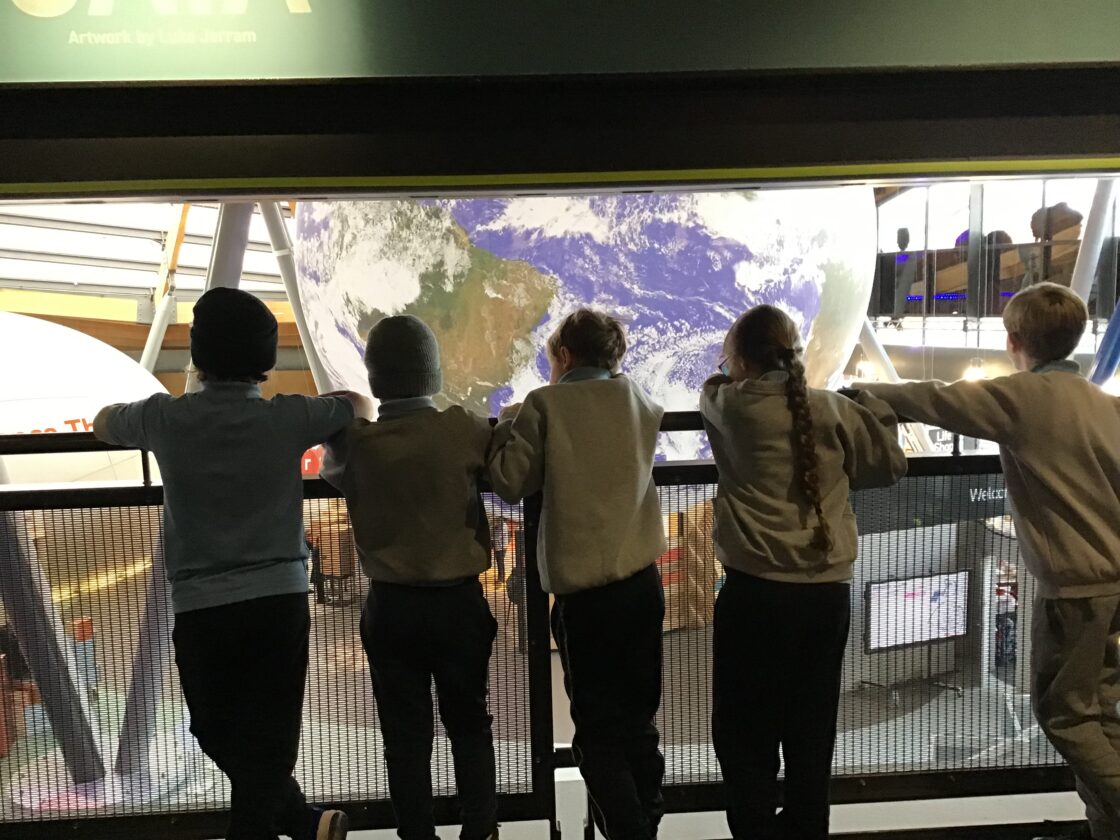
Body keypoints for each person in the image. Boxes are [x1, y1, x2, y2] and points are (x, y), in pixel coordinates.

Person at [93, 287, 366, 840]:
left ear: (198, 353)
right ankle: (300, 821)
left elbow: (102, 422)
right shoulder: (289, 418)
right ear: (265, 359)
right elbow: (358, 406)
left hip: (201, 605)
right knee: (272, 736)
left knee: (212, 728)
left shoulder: (164, 418)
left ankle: (289, 823)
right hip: (279, 600)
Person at [858, 282, 1120, 840]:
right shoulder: (1106, 404)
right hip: (1115, 584)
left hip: (1074, 587)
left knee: (1064, 715)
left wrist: (858, 391)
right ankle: (1106, 825)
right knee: (1101, 708)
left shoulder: (1021, 398)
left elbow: (933, 398)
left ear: (1013, 340)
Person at [702, 305, 907, 840]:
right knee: (811, 737)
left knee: (745, 740)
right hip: (824, 599)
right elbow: (889, 465)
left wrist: (728, 370)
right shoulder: (834, 409)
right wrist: (871, 410)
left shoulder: (731, 406)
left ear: (743, 363)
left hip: (754, 600)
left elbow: (712, 387)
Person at [488, 308, 666, 840]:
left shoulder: (546, 404)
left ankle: (629, 831)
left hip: (585, 601)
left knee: (597, 731)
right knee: (638, 723)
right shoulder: (637, 399)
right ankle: (648, 820)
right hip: (642, 586)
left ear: (564, 356)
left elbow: (510, 481)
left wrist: (507, 423)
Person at [321, 315, 498, 840]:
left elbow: (333, 467)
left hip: (391, 607)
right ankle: (480, 830)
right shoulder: (463, 428)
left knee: (404, 737)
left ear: (375, 378)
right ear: (434, 373)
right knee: (470, 724)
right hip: (458, 604)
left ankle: (417, 834)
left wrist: (354, 407)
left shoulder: (358, 444)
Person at [491, 516, 510, 584]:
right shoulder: (499, 525)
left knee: (500, 563)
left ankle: (501, 579)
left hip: (501, 547)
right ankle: (501, 578)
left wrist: (491, 537)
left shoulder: (502, 526)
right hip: (498, 546)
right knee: (500, 563)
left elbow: (497, 536)